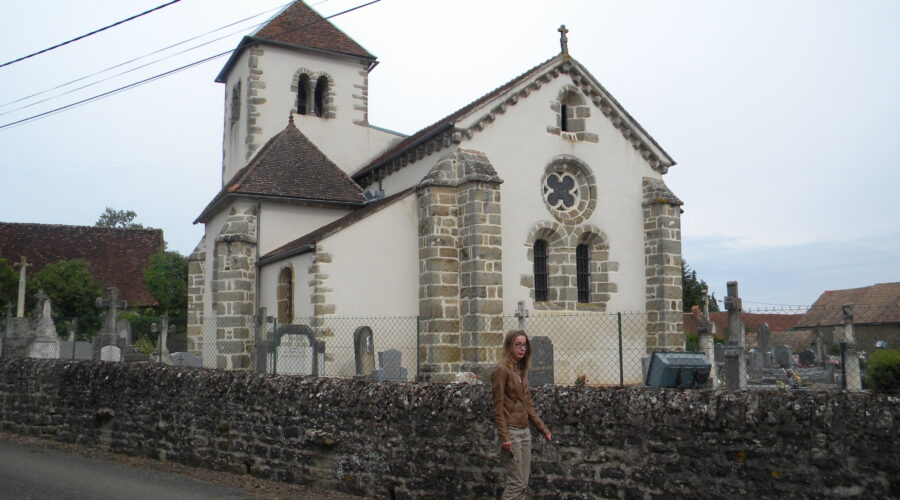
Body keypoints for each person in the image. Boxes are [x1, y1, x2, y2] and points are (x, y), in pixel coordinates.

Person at [490, 330, 552, 499]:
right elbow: (497, 407)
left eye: (524, 345)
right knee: (515, 483)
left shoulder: (521, 369)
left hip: (524, 432)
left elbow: (528, 405)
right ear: (509, 346)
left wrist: (543, 429)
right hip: (511, 432)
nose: (522, 348)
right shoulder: (502, 370)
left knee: (523, 484)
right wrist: (505, 437)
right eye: (517, 344)